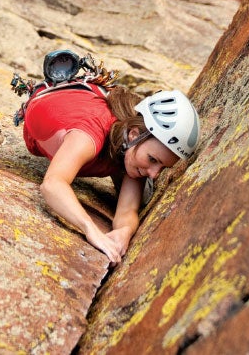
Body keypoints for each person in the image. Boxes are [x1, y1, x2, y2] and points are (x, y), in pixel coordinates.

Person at [17, 53, 200, 265]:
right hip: (62, 102)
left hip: (90, 104)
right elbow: (52, 185)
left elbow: (127, 210)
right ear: (133, 134)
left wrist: (124, 233)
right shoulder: (88, 135)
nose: (153, 173)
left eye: (161, 167)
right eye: (153, 160)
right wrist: (91, 230)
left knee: (137, 184)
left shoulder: (134, 152)